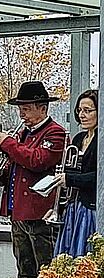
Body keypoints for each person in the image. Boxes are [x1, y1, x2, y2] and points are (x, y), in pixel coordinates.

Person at [0, 81, 66, 278]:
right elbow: (18, 165)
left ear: (42, 108)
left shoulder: (55, 133)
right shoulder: (23, 134)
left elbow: (37, 161)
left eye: (26, 109)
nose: (21, 115)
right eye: (20, 109)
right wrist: (1, 169)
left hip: (39, 213)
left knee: (46, 275)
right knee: (25, 274)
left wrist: (8, 144)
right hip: (18, 213)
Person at [54, 89, 98, 257]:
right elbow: (70, 170)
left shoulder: (101, 139)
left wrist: (69, 178)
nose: (82, 115)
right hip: (72, 207)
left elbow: (99, 177)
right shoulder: (79, 138)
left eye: (88, 110)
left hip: (90, 209)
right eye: (80, 110)